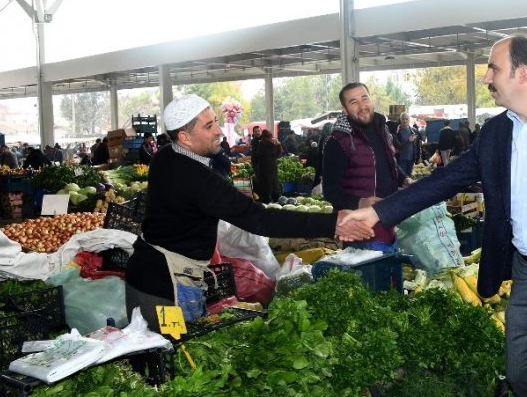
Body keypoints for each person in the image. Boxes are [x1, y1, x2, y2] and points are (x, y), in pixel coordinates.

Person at [340, 34, 527, 396]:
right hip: (526, 276)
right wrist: (379, 213)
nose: (486, 78)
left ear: (523, 73)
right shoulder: (497, 132)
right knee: (521, 376)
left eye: (493, 69)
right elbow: (445, 180)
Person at [124, 95, 372, 332]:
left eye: (216, 122)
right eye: (209, 126)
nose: (218, 131)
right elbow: (260, 219)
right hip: (165, 288)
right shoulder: (199, 180)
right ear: (185, 138)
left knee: (164, 352)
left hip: (146, 274)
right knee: (174, 350)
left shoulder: (166, 156)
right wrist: (333, 223)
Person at [322, 82, 411, 249]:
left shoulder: (382, 131)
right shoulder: (338, 141)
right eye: (353, 102)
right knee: (369, 273)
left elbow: (387, 162)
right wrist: (361, 202)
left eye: (364, 98)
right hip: (359, 227)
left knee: (389, 269)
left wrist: (403, 178)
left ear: (371, 100)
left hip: (387, 216)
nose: (362, 106)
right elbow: (330, 192)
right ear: (344, 109)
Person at [253, 129, 282, 203]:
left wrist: (254, 161)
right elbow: (279, 154)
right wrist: (278, 144)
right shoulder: (274, 143)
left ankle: (266, 199)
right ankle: (276, 198)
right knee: (274, 181)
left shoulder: (262, 143)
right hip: (273, 166)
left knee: (265, 182)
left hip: (264, 166)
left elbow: (258, 155)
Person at [395, 113, 417, 178]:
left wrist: (418, 156)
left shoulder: (413, 130)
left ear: (409, 120)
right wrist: (408, 141)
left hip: (411, 159)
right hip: (401, 159)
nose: (405, 121)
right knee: (402, 178)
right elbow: (397, 146)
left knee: (409, 178)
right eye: (403, 119)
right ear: (400, 119)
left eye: (406, 119)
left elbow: (416, 145)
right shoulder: (397, 131)